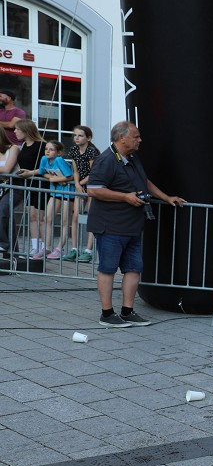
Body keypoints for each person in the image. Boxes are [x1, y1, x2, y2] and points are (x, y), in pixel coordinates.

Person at [85, 122, 185, 326]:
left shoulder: (132, 157)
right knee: (108, 269)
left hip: (132, 226)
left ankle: (127, 311)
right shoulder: (106, 160)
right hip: (110, 226)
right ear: (122, 138)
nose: (140, 140)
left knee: (133, 268)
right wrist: (125, 197)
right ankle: (106, 314)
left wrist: (166, 197)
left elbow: (144, 181)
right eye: (136, 136)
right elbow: (93, 189)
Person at [10, 120, 47, 257]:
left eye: (17, 129)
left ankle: (44, 247)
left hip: (41, 184)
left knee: (40, 217)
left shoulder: (42, 145)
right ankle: (34, 246)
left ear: (26, 130)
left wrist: (30, 173)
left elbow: (45, 167)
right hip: (29, 184)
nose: (15, 132)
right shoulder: (24, 145)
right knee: (32, 216)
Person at [36, 140, 77, 260]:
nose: (47, 151)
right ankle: (46, 247)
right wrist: (54, 178)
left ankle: (60, 248)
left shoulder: (59, 160)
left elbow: (69, 176)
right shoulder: (44, 159)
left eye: (51, 149)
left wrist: (57, 179)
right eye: (46, 149)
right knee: (47, 218)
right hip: (55, 191)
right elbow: (42, 173)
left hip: (67, 192)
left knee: (65, 220)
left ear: (59, 152)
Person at [69, 125, 100, 263]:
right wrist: (77, 184)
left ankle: (88, 250)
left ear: (88, 138)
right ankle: (74, 248)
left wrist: (81, 184)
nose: (76, 138)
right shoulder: (74, 150)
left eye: (80, 135)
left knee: (90, 216)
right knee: (76, 215)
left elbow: (94, 172)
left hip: (92, 185)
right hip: (80, 185)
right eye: (75, 135)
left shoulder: (92, 151)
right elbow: (75, 170)